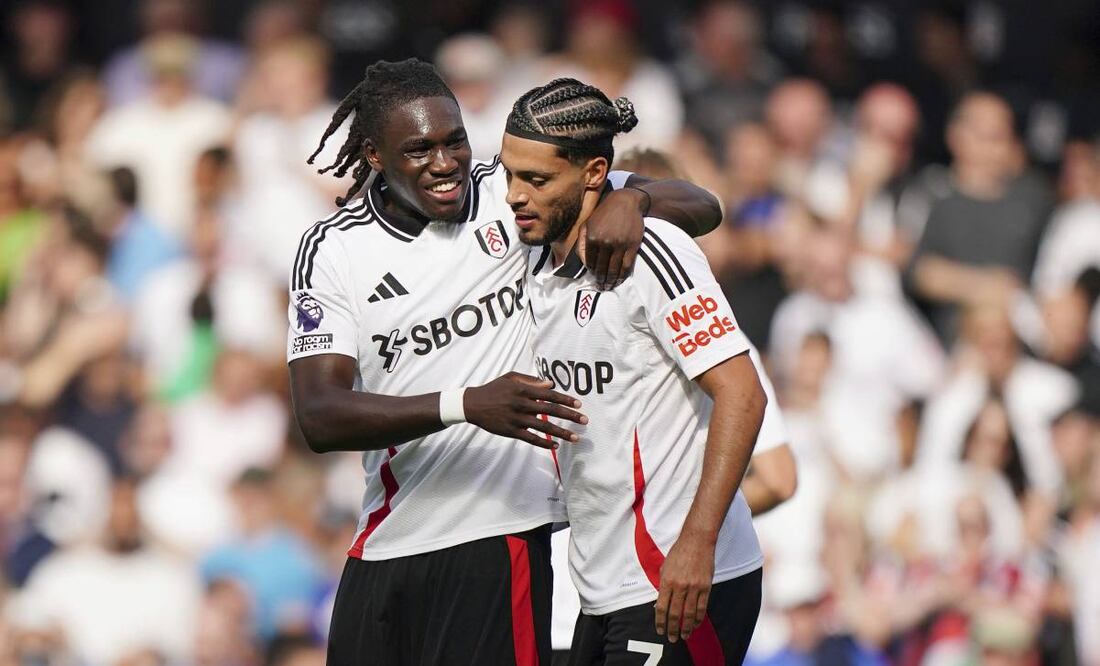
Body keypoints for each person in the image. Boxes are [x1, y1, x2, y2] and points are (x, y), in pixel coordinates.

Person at [286, 60, 722, 665]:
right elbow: (319, 415)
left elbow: (703, 205)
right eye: (419, 150)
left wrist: (636, 198)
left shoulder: (508, 195)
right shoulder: (334, 248)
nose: (445, 165)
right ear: (375, 156)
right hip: (385, 540)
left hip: (499, 540)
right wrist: (466, 404)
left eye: (454, 141)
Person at [504, 78, 766, 664]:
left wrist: (697, 544)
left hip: (681, 575)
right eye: (510, 175)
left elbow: (743, 397)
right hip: (599, 583)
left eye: (536, 180)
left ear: (595, 174)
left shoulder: (653, 253)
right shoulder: (531, 253)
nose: (514, 196)